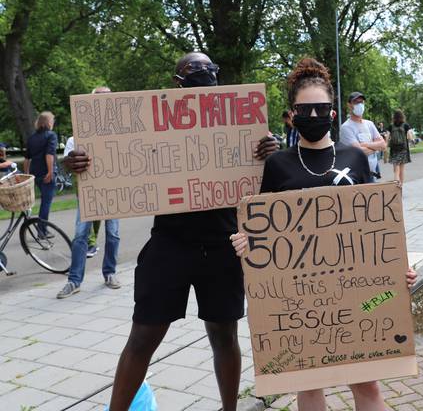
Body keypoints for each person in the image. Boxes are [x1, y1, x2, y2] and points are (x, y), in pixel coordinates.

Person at [63, 52, 279, 411]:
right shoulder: (153, 127)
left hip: (222, 244)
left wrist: (269, 153)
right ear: (177, 83)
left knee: (224, 336)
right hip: (170, 243)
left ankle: (230, 408)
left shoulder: (241, 126)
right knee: (143, 336)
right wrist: (83, 165)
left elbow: (268, 183)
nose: (204, 76)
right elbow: (117, 159)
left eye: (210, 70)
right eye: (194, 71)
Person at [230, 57, 417, 410]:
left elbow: (379, 226)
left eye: (320, 109)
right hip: (301, 300)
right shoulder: (278, 164)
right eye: (304, 110)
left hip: (357, 295)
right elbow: (264, 226)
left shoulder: (356, 159)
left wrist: (398, 268)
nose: (313, 117)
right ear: (292, 113)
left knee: (368, 388)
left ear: (332, 113)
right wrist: (247, 240)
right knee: (310, 389)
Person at [57, 86, 122, 299]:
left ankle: (110, 272)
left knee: (113, 234)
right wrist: (70, 161)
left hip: (112, 193)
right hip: (88, 196)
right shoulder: (76, 138)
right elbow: (66, 164)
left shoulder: (120, 133)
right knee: (80, 236)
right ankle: (74, 280)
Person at [338, 92, 386, 182]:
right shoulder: (346, 127)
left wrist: (364, 144)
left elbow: (383, 145)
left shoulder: (369, 124)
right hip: (357, 177)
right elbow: (358, 152)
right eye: (356, 102)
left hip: (372, 174)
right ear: (349, 105)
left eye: (361, 102)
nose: (359, 105)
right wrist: (376, 147)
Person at [23, 111, 57, 238]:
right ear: (48, 122)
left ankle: (42, 229)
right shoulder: (51, 135)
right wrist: (50, 171)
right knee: (46, 203)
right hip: (46, 173)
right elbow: (49, 154)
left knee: (43, 202)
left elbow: (27, 158)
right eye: (52, 120)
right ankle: (42, 231)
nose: (53, 123)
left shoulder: (32, 138)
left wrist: (26, 174)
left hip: (34, 174)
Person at [388, 110, 412, 183]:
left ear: (394, 117)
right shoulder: (405, 125)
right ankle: (401, 187)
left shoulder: (391, 126)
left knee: (396, 169)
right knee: (401, 170)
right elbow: (410, 137)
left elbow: (387, 136)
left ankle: (396, 186)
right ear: (402, 116)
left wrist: (385, 146)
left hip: (394, 149)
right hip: (403, 149)